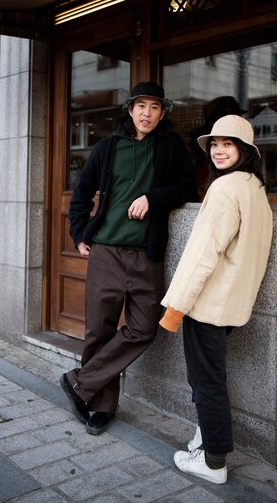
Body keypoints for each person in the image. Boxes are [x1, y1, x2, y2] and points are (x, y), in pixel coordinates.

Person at [59, 81, 197, 435]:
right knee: (98, 331)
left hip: (146, 255)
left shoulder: (171, 148)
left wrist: (153, 197)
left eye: (154, 107)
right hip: (105, 251)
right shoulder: (108, 147)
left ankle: (80, 382)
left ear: (163, 112)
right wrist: (78, 235)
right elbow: (81, 194)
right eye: (141, 106)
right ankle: (101, 405)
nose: (146, 113)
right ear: (130, 109)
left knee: (144, 328)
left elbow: (186, 188)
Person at [159, 114, 273, 484]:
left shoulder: (224, 190)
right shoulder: (254, 186)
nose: (219, 151)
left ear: (245, 150)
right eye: (215, 145)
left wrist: (175, 308)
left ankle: (213, 462)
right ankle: (205, 439)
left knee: (206, 381)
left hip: (208, 304)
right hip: (231, 305)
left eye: (229, 144)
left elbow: (201, 255)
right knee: (210, 377)